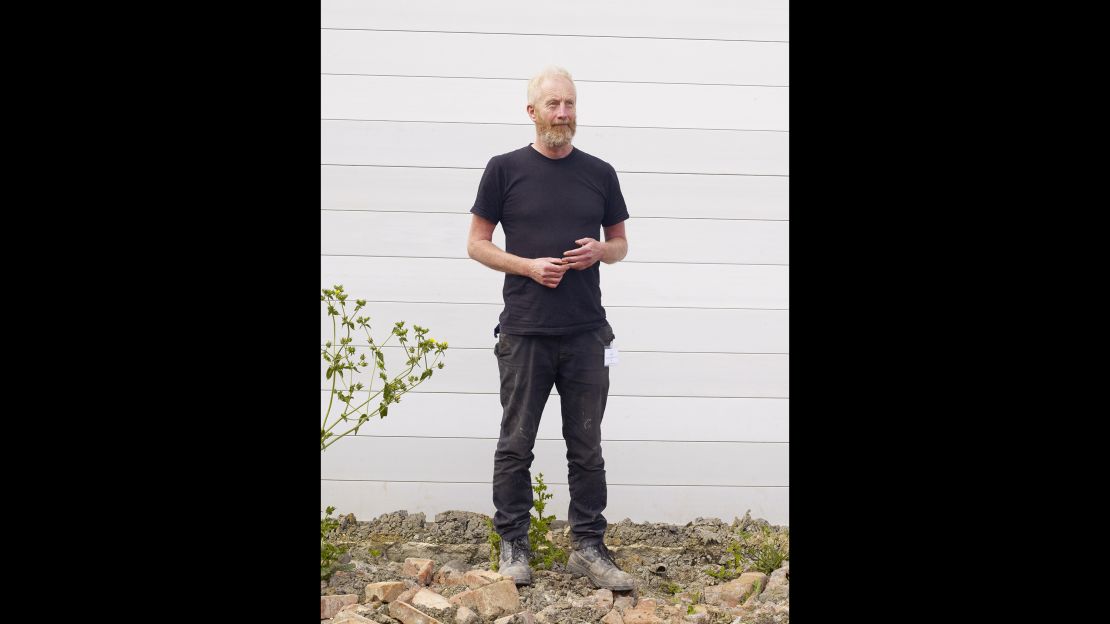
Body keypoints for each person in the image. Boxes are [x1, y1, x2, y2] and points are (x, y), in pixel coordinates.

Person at [466, 66, 634, 591]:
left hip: (587, 332)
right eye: (554, 105)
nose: (563, 114)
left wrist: (601, 252)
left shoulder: (600, 173)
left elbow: (621, 244)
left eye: (570, 104)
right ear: (532, 112)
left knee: (586, 446)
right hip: (525, 331)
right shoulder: (504, 170)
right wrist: (528, 266)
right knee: (516, 443)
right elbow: (477, 242)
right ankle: (513, 544)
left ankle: (587, 547)